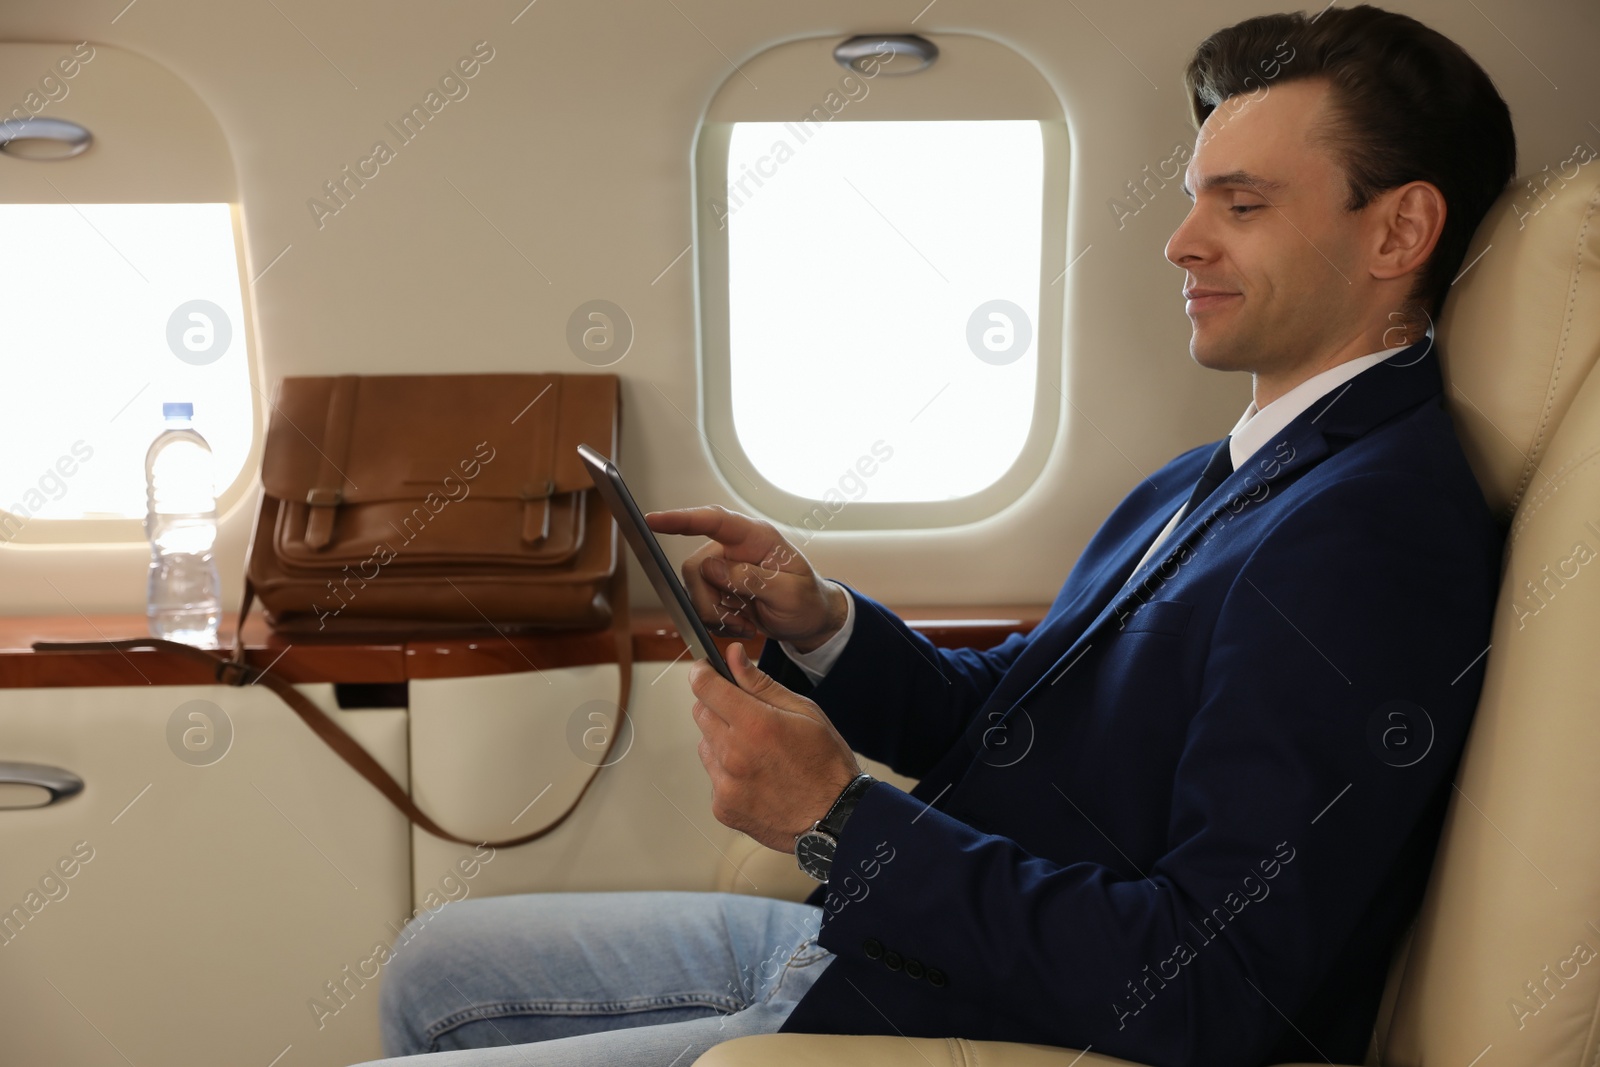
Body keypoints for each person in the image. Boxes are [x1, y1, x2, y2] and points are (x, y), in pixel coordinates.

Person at [363, 5, 1513, 1065]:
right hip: (900, 940)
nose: (1178, 241)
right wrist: (819, 622)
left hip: (982, 1008)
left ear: (1398, 229)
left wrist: (840, 815)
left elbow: (1210, 980)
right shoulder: (1223, 470)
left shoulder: (1367, 539)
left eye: (1241, 204)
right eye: (1192, 194)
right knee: (431, 964)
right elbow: (1011, 714)